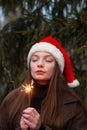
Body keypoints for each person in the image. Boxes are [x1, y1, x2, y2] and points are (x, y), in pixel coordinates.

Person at [0, 36, 87, 130]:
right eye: (34, 60)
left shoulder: (71, 104)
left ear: (57, 67)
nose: (40, 64)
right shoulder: (12, 99)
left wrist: (41, 128)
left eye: (48, 60)